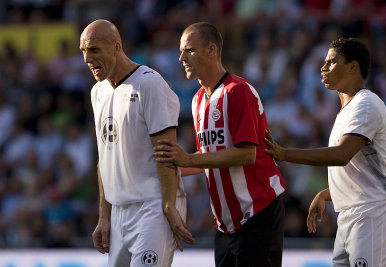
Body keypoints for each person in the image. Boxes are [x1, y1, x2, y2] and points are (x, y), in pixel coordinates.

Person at [154, 22, 286, 267]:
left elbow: (246, 154)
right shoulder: (196, 101)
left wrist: (189, 159)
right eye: (182, 51)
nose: (181, 57)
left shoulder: (238, 92)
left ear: (211, 50)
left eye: (189, 50)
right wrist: (168, 169)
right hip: (225, 223)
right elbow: (208, 156)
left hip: (257, 212)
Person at [264, 37, 386, 267]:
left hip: (373, 212)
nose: (322, 67)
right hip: (351, 214)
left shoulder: (366, 104)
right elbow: (359, 171)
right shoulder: (345, 112)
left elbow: (340, 155)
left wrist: (285, 154)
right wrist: (326, 194)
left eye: (331, 61)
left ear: (353, 67)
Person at [79, 19, 194, 267]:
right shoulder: (97, 92)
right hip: (119, 211)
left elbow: (166, 152)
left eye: (94, 49)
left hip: (153, 207)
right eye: (84, 51)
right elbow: (105, 159)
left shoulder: (148, 83)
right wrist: (104, 216)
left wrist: (169, 207)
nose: (87, 59)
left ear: (116, 47)